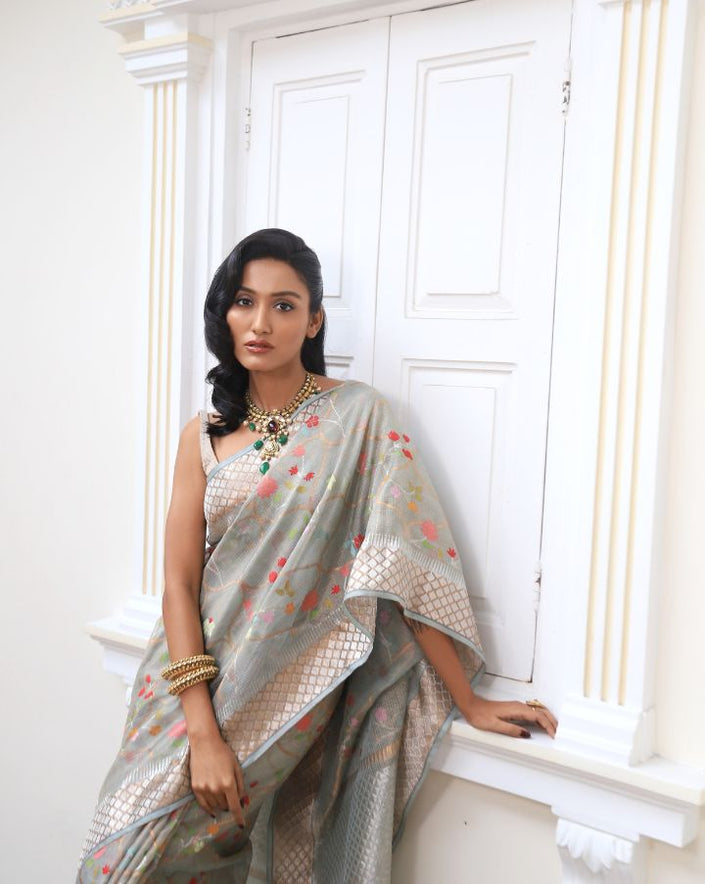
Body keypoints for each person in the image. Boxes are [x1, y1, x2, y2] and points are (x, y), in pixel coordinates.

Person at [77, 229, 557, 883]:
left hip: (285, 686)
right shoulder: (205, 431)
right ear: (225, 312)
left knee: (191, 861)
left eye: (283, 304)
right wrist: (201, 730)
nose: (260, 321)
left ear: (313, 320)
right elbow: (178, 581)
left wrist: (466, 700)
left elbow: (400, 561)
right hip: (186, 686)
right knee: (115, 860)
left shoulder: (358, 417)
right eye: (244, 301)